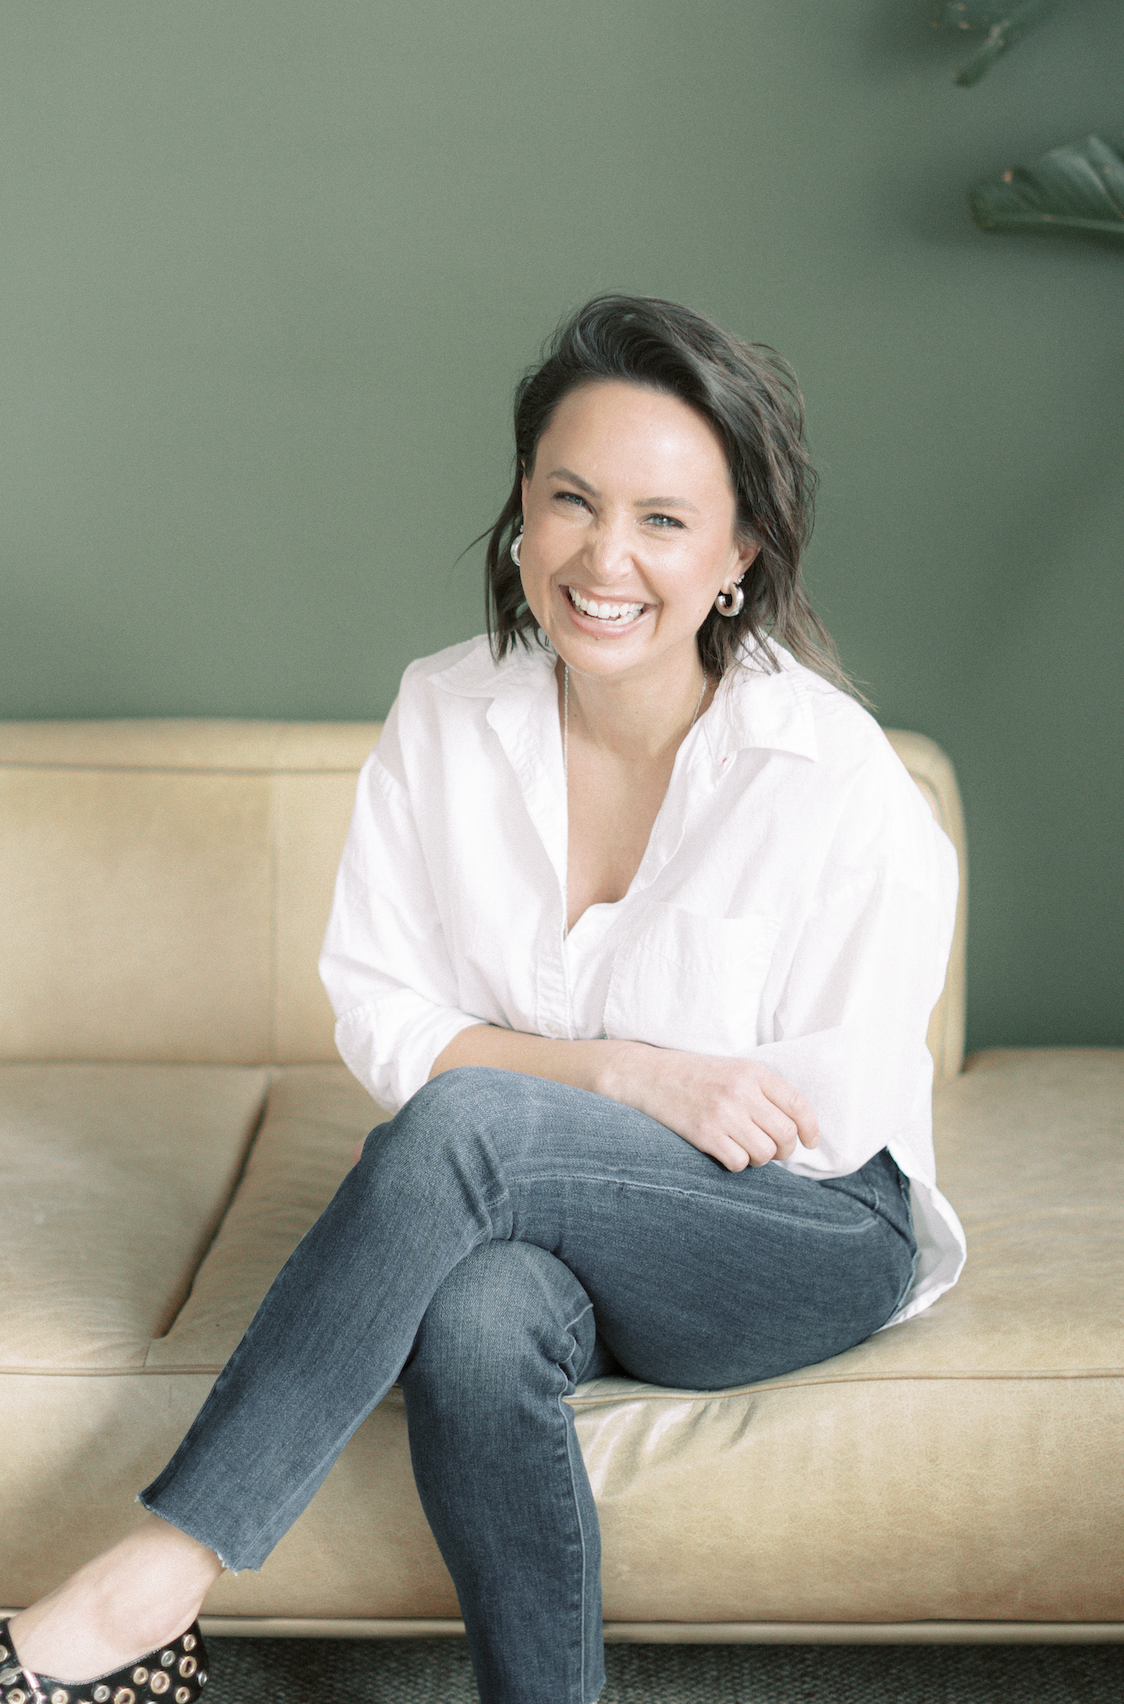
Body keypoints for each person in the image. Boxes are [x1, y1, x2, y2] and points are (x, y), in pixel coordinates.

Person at [2, 295, 964, 1704]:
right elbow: (382, 1008)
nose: (603, 556)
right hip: (554, 1215)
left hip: (804, 1231)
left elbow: (813, 1122)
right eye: (570, 501)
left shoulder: (832, 780)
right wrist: (624, 1077)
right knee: (474, 1320)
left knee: (467, 1133)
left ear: (735, 557)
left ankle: (148, 1584)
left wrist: (527, 1118)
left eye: (661, 520)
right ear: (520, 509)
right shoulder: (445, 714)